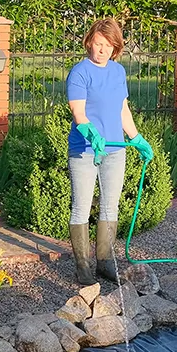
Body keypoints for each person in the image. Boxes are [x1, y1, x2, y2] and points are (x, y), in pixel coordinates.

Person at [66, 18, 154, 284]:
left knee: (110, 206)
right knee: (81, 207)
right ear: (89, 42)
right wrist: (91, 133)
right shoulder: (80, 72)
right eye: (98, 43)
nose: (102, 50)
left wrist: (137, 138)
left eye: (108, 45)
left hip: (115, 149)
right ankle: (83, 267)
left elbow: (122, 109)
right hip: (85, 150)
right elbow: (78, 113)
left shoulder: (117, 72)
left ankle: (105, 261)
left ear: (116, 48)